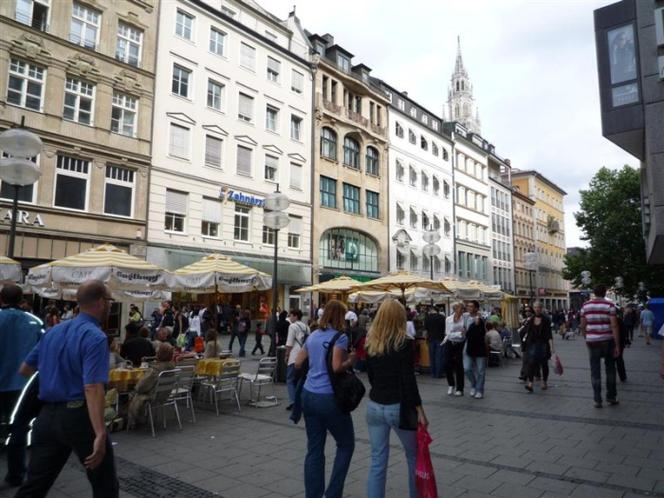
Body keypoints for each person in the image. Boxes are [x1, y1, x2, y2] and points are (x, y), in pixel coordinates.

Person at [16, 280, 119, 497]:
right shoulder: (95, 336)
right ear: (101, 302)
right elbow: (92, 387)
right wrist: (100, 432)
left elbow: (25, 368)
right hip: (79, 417)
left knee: (35, 485)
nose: (110, 304)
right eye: (109, 300)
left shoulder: (53, 332)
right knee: (104, 484)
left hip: (47, 416)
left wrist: (54, 369)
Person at [365, 299, 428, 498]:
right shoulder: (405, 343)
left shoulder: (371, 342)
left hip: (375, 405)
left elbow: (371, 376)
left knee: (377, 461)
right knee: (413, 456)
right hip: (398, 406)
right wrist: (419, 409)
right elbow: (408, 380)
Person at [294, 300, 356, 498]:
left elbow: (297, 363)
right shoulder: (340, 337)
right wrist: (351, 361)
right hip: (328, 397)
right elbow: (337, 366)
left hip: (308, 395)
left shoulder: (313, 335)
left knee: (314, 449)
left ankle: (313, 494)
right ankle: (333, 493)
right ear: (340, 316)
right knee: (346, 444)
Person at [0, 284, 43, 487]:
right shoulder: (35, 323)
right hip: (23, 385)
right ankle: (16, 474)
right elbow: (44, 354)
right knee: (19, 428)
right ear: (21, 299)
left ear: (1, 299)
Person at [580, 284, 621, 408]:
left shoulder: (585, 306)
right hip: (607, 341)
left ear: (594, 292)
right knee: (610, 369)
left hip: (592, 341)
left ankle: (597, 400)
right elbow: (614, 325)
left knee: (595, 371)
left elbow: (583, 325)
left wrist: (586, 336)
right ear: (604, 292)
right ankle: (611, 397)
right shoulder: (610, 305)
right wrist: (617, 345)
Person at [127, 343, 176, 429]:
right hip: (165, 394)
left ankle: (131, 420)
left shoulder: (155, 370)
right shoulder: (172, 367)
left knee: (131, 393)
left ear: (160, 354)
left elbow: (141, 387)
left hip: (152, 396)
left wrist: (135, 389)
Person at [523, 301, 554, 392]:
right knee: (531, 363)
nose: (537, 309)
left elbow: (549, 334)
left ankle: (544, 381)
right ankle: (530, 383)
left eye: (539, 307)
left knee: (544, 364)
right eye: (535, 307)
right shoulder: (531, 319)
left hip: (543, 344)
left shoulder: (546, 319)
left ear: (541, 308)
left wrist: (552, 347)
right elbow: (526, 332)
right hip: (532, 344)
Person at [285, 309, 310, 410]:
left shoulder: (292, 326)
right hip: (305, 356)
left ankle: (293, 402)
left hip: (294, 357)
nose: (290, 317)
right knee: (302, 379)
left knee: (290, 379)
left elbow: (289, 343)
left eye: (291, 315)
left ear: (295, 316)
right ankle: (302, 400)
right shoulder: (307, 327)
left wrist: (286, 355)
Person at [464, 300, 487, 399]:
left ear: (476, 308)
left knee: (481, 370)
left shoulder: (480, 319)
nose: (469, 308)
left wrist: (466, 332)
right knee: (467, 368)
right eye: (468, 306)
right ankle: (474, 384)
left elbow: (480, 332)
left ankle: (479, 390)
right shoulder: (466, 317)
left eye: (471, 306)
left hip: (480, 347)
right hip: (468, 345)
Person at [444, 302, 466, 396]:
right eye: (461, 309)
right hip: (449, 342)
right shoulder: (448, 319)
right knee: (447, 364)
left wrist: (461, 334)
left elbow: (464, 333)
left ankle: (459, 388)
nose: (462, 311)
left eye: (463, 309)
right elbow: (447, 333)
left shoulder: (464, 319)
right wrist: (459, 333)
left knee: (459, 365)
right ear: (455, 309)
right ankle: (451, 384)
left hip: (460, 344)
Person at [424, 307, 446, 379]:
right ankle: (438, 374)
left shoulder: (427, 317)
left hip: (430, 339)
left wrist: (426, 337)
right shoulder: (442, 317)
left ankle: (433, 373)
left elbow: (426, 330)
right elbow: (445, 328)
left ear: (431, 310)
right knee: (439, 357)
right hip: (440, 338)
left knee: (432, 357)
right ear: (438, 311)